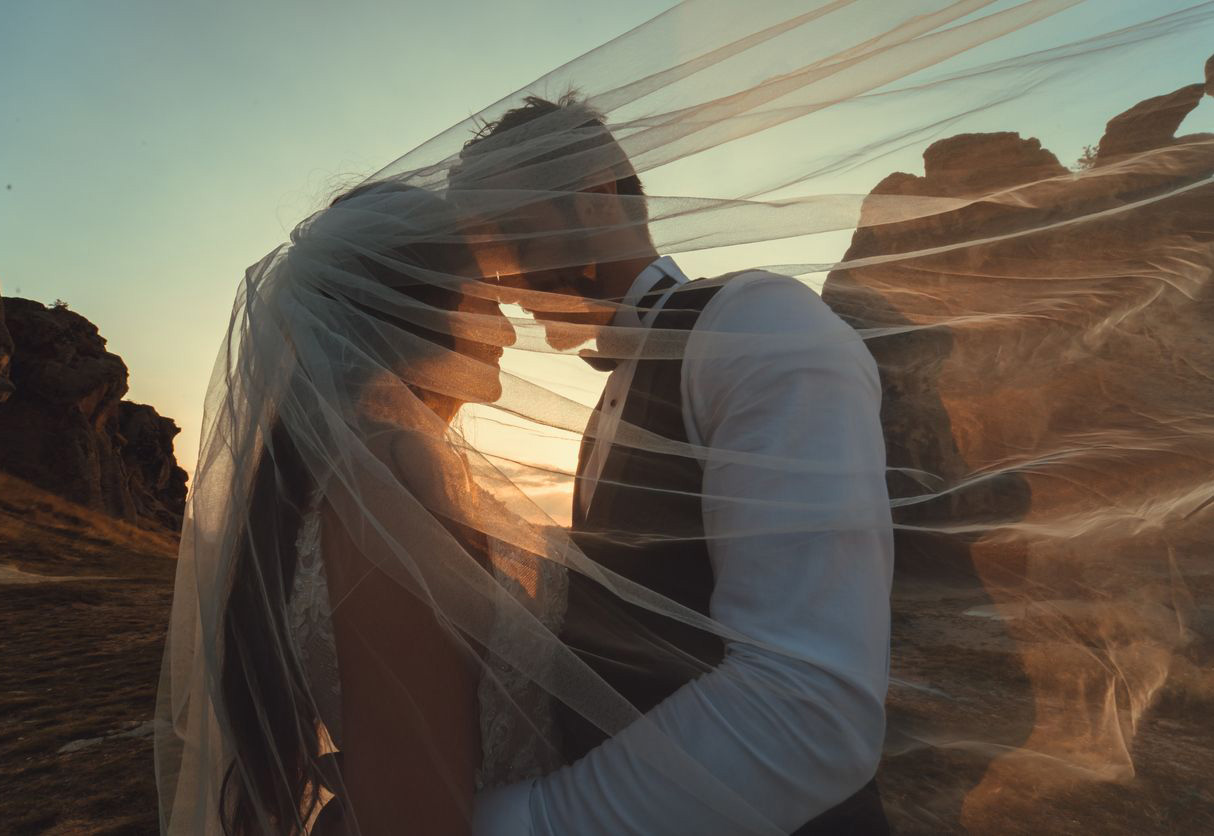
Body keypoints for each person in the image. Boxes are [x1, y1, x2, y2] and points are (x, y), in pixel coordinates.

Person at [452, 94, 894, 835]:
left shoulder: (760, 328)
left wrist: (520, 822)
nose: (505, 288)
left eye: (514, 242)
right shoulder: (617, 393)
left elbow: (812, 711)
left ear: (595, 197)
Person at [157, 182, 569, 835]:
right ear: (414, 307)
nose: (507, 329)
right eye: (486, 299)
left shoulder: (336, 469)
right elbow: (418, 817)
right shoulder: (394, 476)